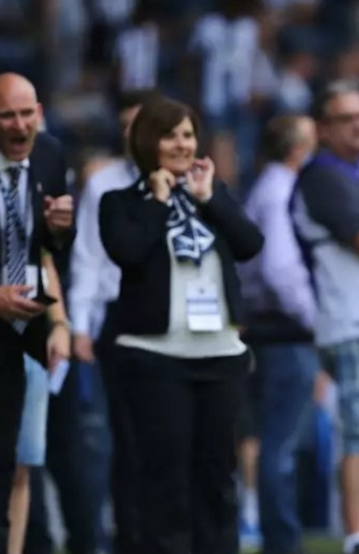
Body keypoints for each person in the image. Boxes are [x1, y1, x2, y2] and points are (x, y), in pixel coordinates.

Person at [98, 96, 264, 554]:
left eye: (188, 134)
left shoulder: (213, 194)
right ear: (147, 141)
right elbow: (127, 252)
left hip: (220, 357)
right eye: (170, 134)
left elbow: (250, 244)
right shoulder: (120, 202)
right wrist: (158, 200)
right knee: (164, 482)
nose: (181, 143)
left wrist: (209, 199)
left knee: (217, 482)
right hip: (155, 358)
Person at [68, 88, 158, 554]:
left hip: (170, 324)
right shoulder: (104, 184)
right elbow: (87, 259)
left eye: (137, 125)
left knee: (169, 438)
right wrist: (80, 326)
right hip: (117, 322)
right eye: (123, 127)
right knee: (122, 439)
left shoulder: (185, 179)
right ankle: (128, 540)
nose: (130, 135)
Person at [291, 80, 359, 554]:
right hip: (351, 323)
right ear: (323, 130)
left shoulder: (353, 170)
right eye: (346, 118)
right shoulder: (324, 174)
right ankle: (358, 537)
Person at [0, 72, 74, 554]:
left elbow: (45, 252)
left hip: (22, 331)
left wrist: (59, 229)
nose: (19, 124)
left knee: (15, 461)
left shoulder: (49, 154)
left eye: (27, 113)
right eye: (7, 114)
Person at [239, 113, 319, 554]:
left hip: (267, 333)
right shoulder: (281, 190)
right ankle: (283, 543)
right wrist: (316, 320)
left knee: (273, 443)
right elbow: (279, 269)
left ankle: (278, 539)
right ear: (296, 149)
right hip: (284, 334)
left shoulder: (265, 186)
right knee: (281, 448)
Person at [9, 253, 70, 554]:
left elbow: (41, 255)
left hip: (28, 337)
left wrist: (59, 322)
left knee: (21, 468)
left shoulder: (28, 204)